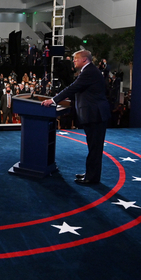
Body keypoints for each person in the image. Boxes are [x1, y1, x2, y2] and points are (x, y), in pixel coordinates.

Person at [41, 50, 110, 185]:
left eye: (75, 59)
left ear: (84, 59)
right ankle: (90, 174)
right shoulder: (89, 71)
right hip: (95, 115)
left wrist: (53, 100)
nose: (73, 61)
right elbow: (77, 90)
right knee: (93, 147)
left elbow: (73, 88)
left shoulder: (89, 71)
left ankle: (92, 177)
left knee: (95, 148)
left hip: (96, 115)